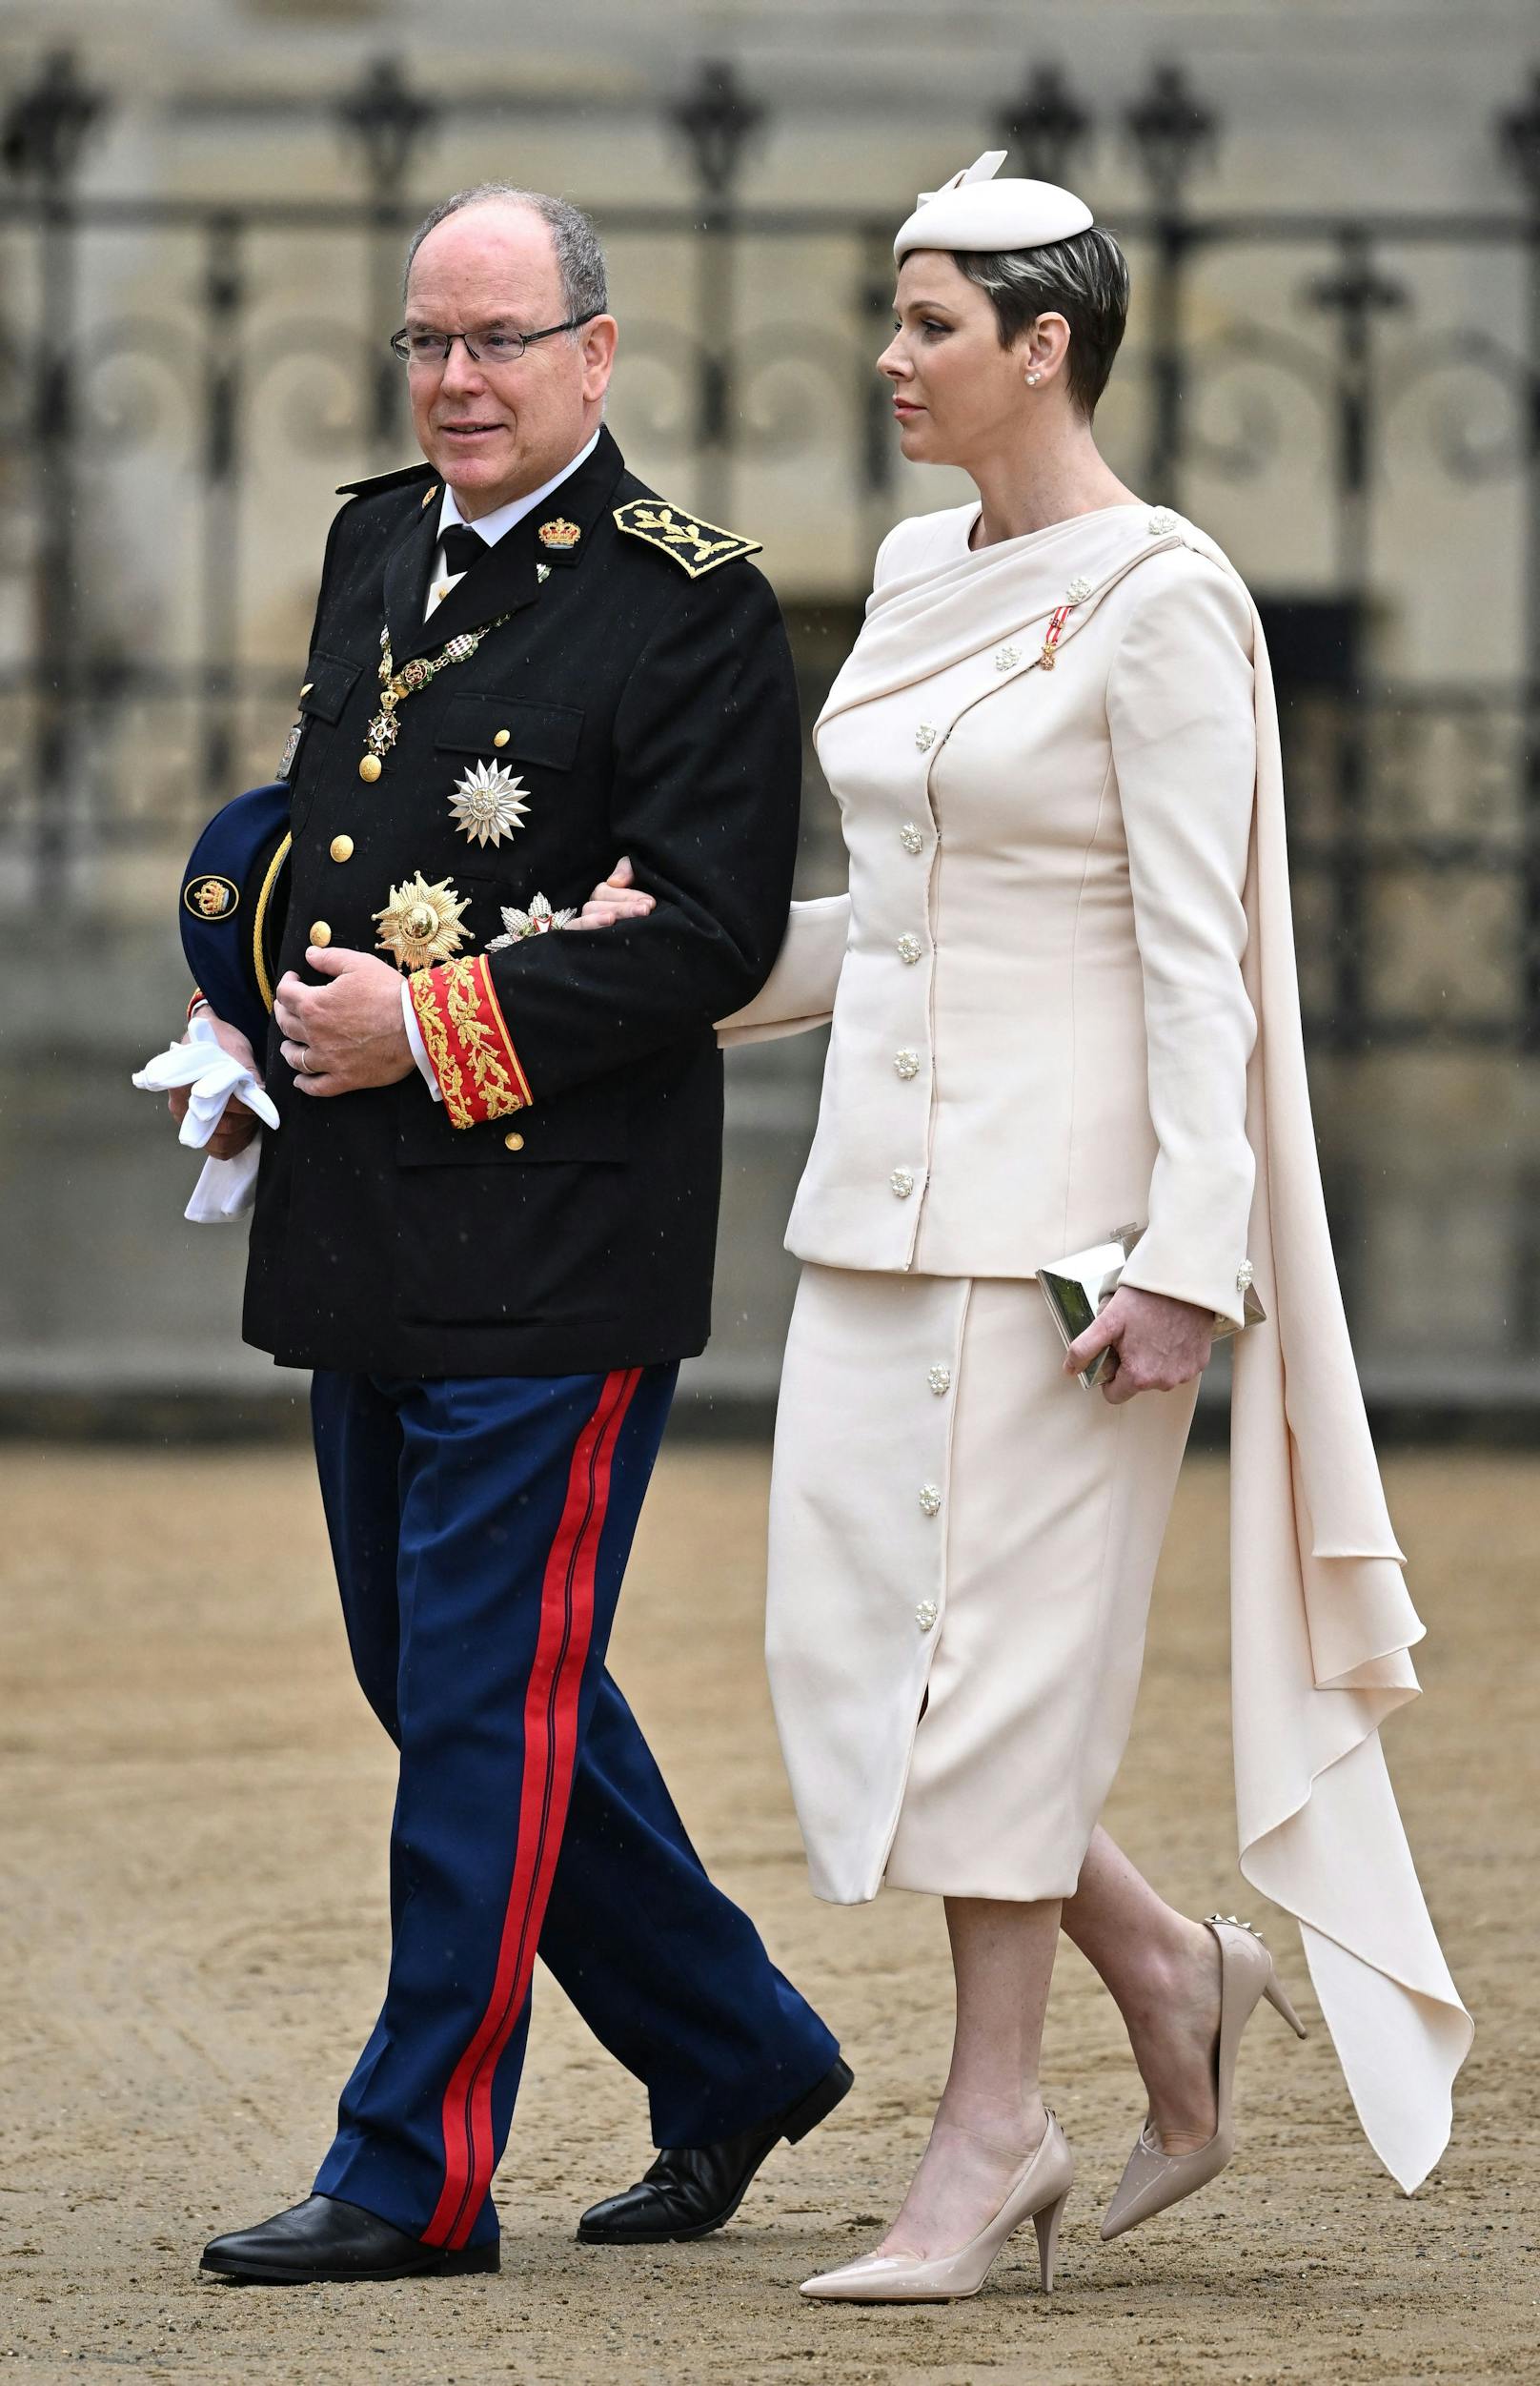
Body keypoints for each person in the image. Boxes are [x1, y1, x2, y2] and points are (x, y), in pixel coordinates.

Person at [705, 153, 1471, 2302]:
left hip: (1072, 1236)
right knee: (867, 1667)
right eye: (894, 315)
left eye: (930, 322)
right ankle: (1166, 1965)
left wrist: (1182, 1259)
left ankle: (992, 2131)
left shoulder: (1166, 600)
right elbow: (905, 914)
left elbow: (1195, 952)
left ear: (1044, 346)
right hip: (876, 1205)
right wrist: (651, 965)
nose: (890, 356)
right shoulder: (914, 569)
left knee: (992, 1691)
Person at [171, 182, 850, 2287]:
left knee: (480, 1694)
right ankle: (734, 2051)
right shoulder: (378, 532)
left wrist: (431, 1023)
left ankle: (413, 2168)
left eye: (497, 342)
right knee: (450, 1675)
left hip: (560, 1245)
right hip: (366, 1212)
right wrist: (251, 971)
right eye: (427, 342)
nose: (457, 381)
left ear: (596, 353)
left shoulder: (694, 603)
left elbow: (717, 935)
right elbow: (338, 820)